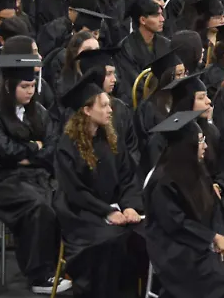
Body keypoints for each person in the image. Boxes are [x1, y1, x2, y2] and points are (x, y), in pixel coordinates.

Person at [143, 110, 224, 298]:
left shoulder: (197, 170)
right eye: (199, 141)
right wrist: (212, 238)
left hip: (203, 242)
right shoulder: (162, 182)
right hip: (177, 250)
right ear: (186, 146)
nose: (204, 146)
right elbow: (176, 224)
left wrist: (221, 237)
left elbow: (214, 211)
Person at [0, 53, 64, 294]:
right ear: (8, 86)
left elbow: (52, 146)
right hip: (0, 178)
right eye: (24, 86)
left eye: (33, 86)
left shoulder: (39, 112)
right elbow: (5, 152)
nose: (30, 92)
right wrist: (34, 147)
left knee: (61, 199)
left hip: (34, 174)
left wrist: (28, 156)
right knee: (38, 206)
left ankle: (59, 266)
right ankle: (39, 275)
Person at [54, 70, 147, 297]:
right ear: (86, 110)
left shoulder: (111, 138)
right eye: (104, 105)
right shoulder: (67, 147)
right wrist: (106, 212)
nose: (110, 110)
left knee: (145, 235)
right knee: (110, 241)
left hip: (114, 207)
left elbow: (127, 177)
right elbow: (76, 192)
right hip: (81, 213)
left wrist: (129, 205)